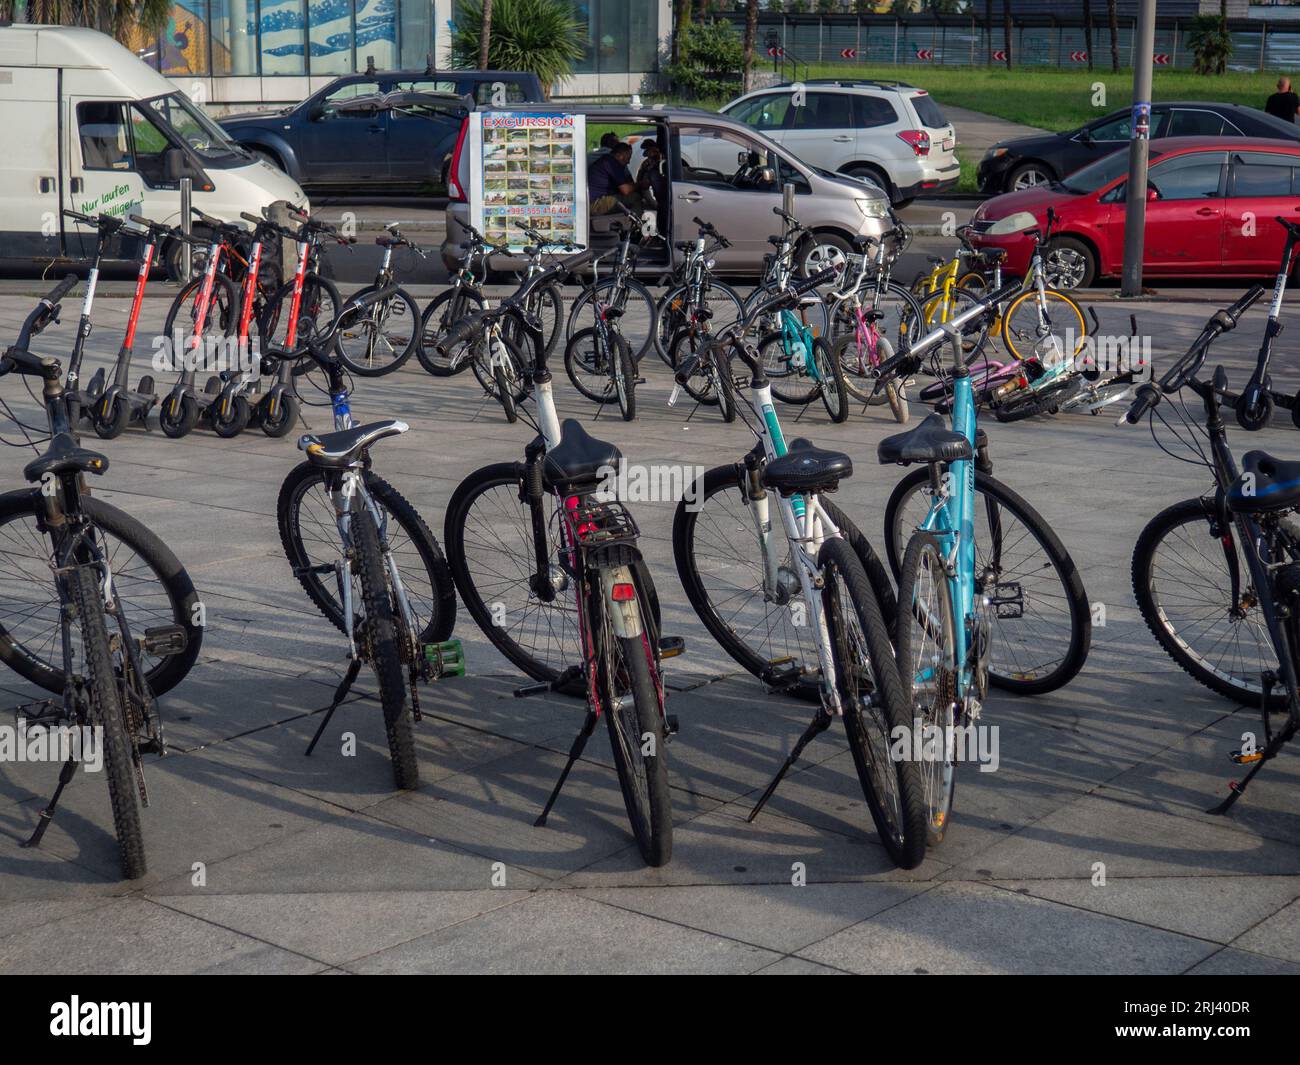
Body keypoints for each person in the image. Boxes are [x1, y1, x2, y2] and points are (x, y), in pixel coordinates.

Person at [589, 141, 643, 216]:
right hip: (594, 204)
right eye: (628, 158)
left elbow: (626, 183)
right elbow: (626, 190)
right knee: (635, 197)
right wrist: (642, 184)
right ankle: (635, 223)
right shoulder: (612, 164)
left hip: (592, 202)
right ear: (619, 156)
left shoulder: (607, 160)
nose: (628, 162)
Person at [636, 138, 669, 239]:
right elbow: (642, 182)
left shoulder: (663, 161)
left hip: (663, 195)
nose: (647, 153)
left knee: (662, 211)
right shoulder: (647, 163)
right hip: (652, 193)